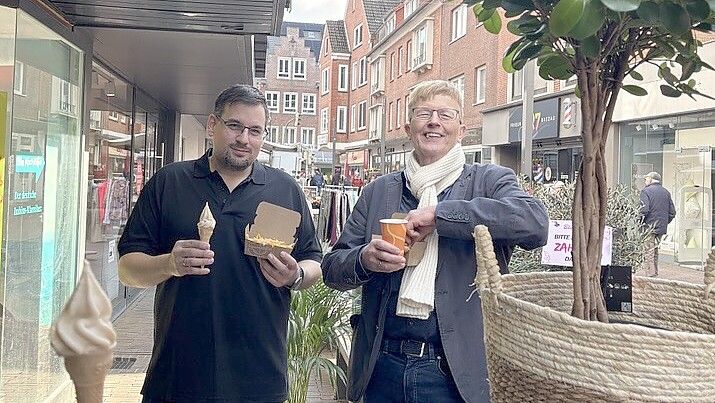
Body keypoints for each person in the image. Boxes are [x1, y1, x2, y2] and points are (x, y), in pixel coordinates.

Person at [322, 80, 549, 403]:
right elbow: (332, 268)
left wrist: (440, 216)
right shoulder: (378, 191)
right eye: (423, 114)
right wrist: (364, 259)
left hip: (455, 376)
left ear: (461, 128)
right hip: (381, 369)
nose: (434, 122)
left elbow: (534, 223)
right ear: (408, 127)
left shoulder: (488, 181)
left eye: (445, 114)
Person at [117, 84, 322, 403]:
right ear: (213, 124)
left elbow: (314, 261)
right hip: (178, 376)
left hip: (259, 379)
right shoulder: (169, 182)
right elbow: (127, 270)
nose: (244, 139)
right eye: (235, 125)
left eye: (255, 130)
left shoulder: (285, 189)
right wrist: (169, 263)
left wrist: (295, 276)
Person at [640, 171, 675, 276]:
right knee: (655, 250)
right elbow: (672, 212)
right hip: (661, 227)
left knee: (648, 251)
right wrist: (665, 222)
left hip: (649, 226)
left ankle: (650, 274)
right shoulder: (666, 192)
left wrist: (640, 222)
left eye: (646, 179)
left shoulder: (646, 191)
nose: (645, 181)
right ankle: (655, 272)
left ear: (651, 179)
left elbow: (644, 210)